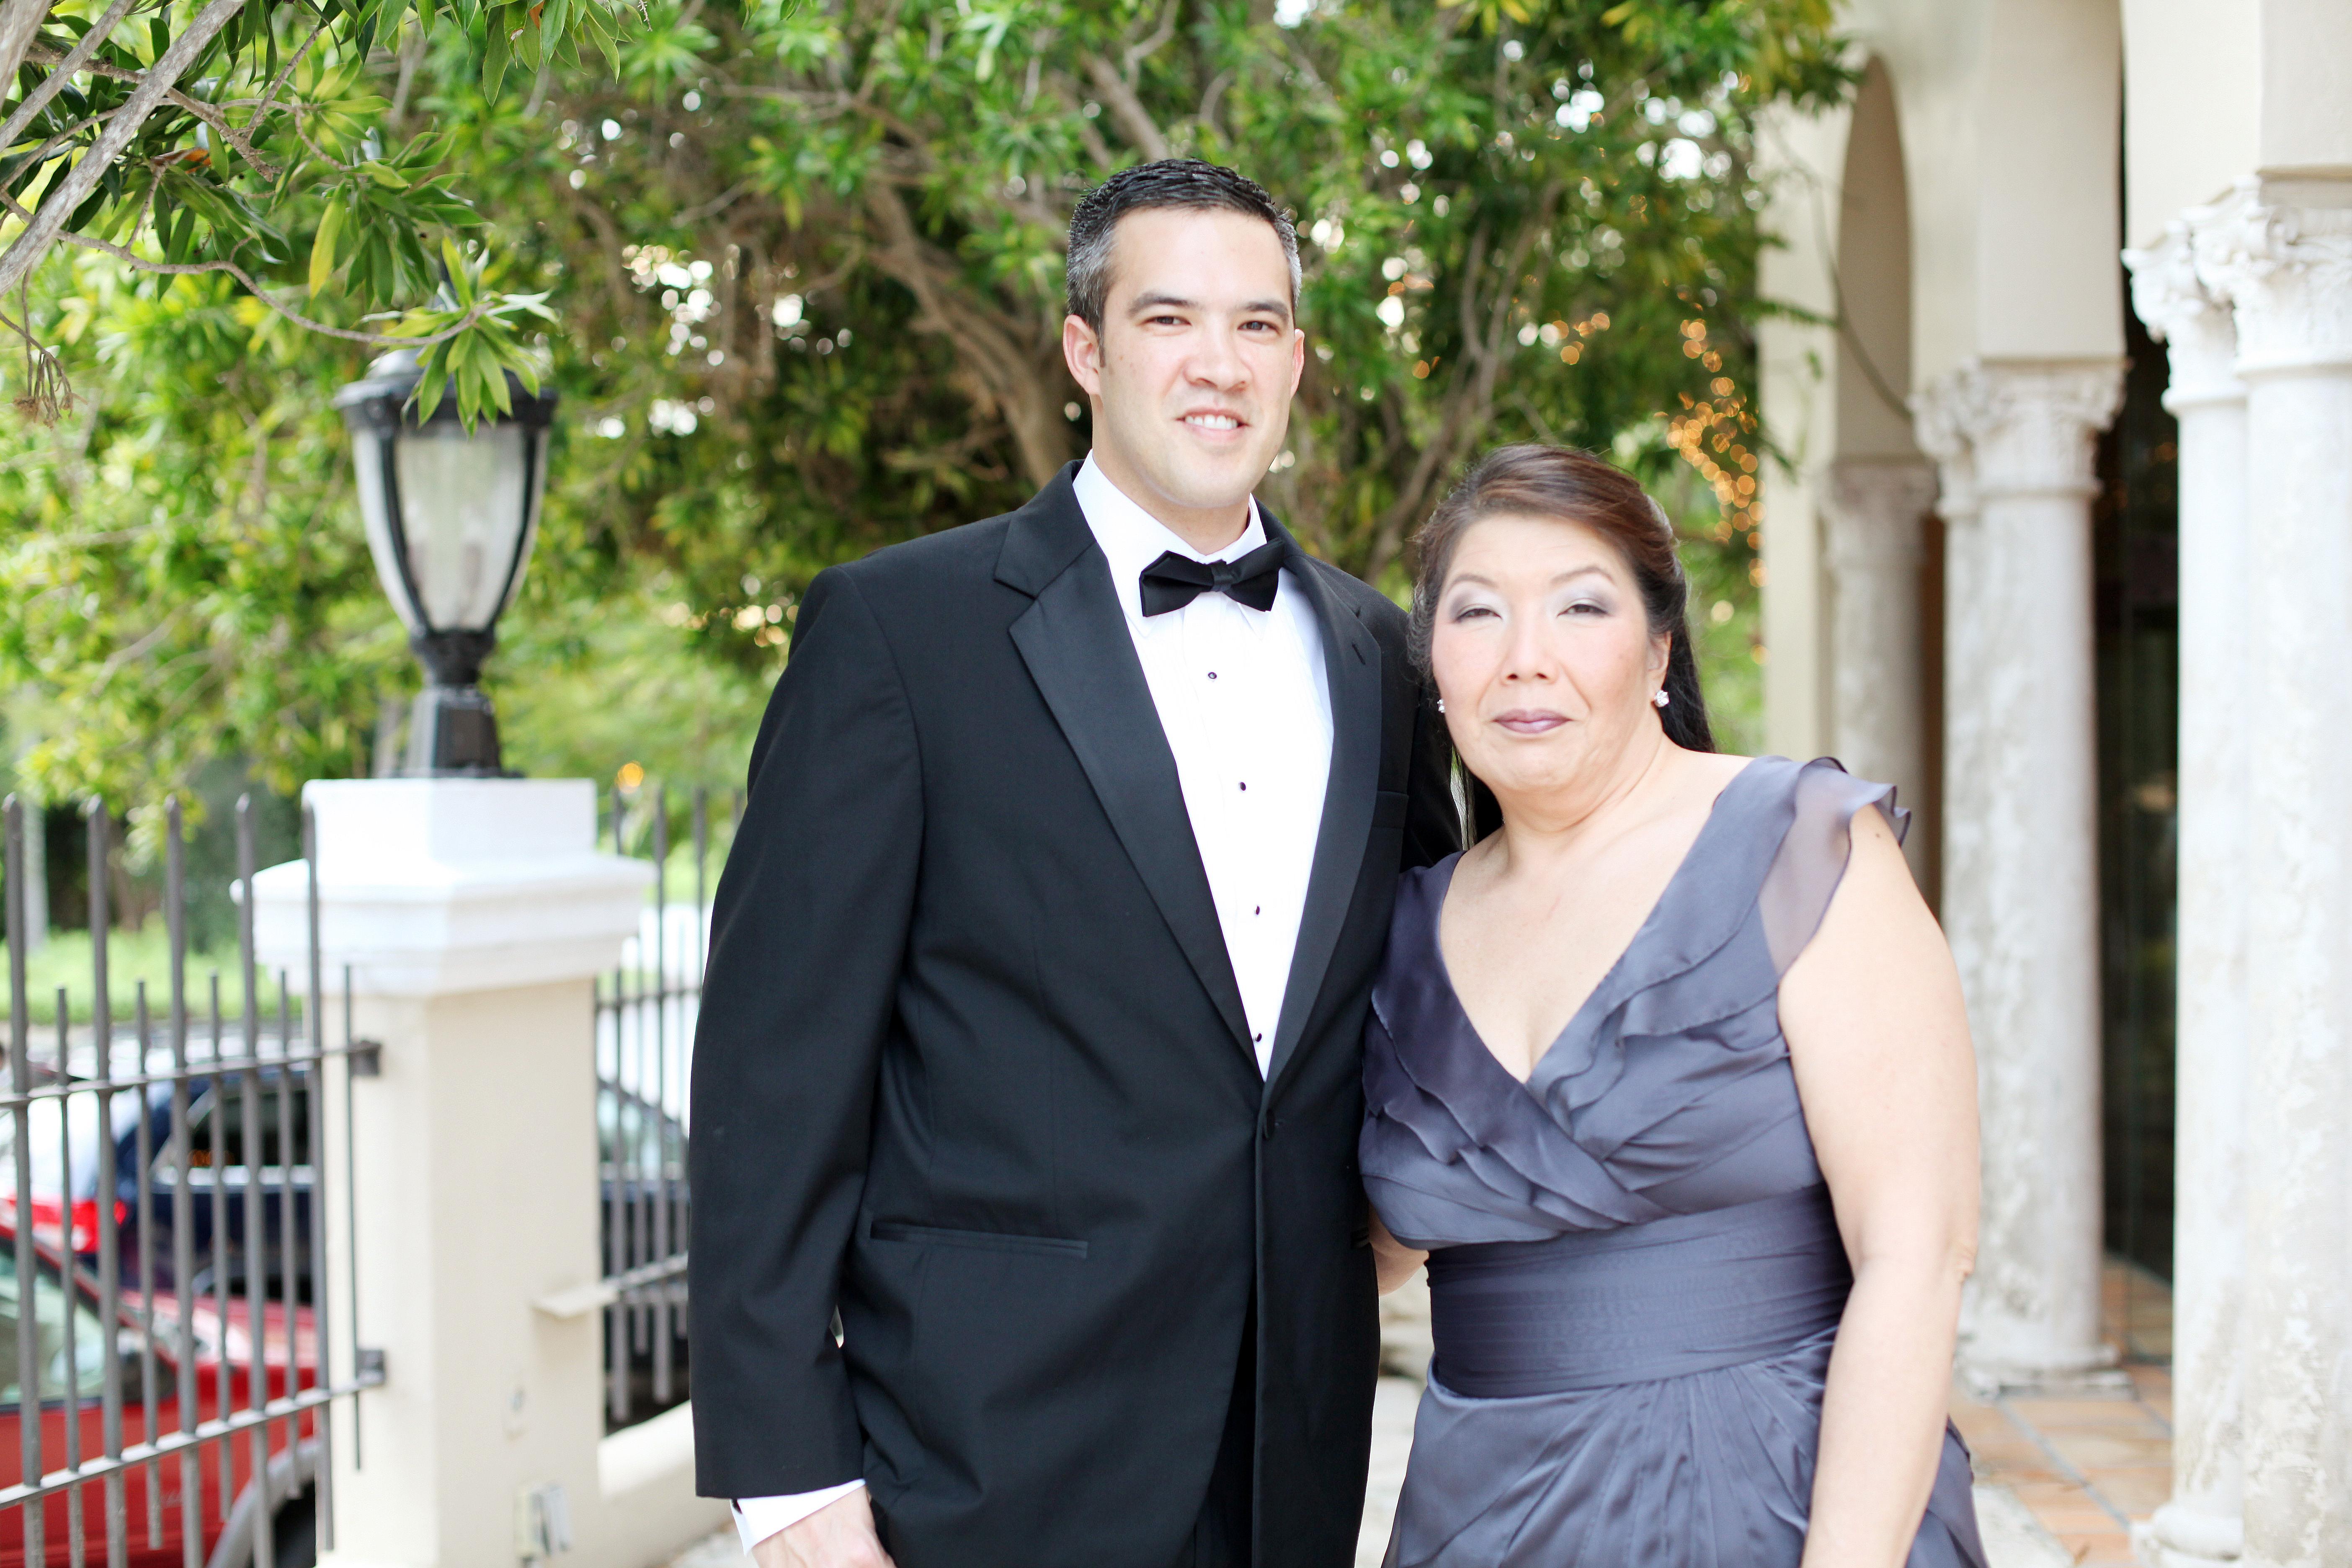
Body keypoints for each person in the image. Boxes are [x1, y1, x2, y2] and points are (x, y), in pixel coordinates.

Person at [687, 159, 1458, 1568]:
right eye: (1170, 321)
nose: (1218, 365)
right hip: (982, 1455)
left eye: (1258, 325)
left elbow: (1430, 980)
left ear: (1297, 356)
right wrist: (792, 1486)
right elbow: (771, 1080)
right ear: (1086, 351)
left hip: (1290, 1450)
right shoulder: (899, 635)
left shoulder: (1381, 657)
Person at [1360, 444, 1988, 1568]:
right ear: (1436, 669)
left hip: (1773, 1506)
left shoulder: (1800, 848)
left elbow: (1917, 1251)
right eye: (1478, 615)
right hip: (1481, 1519)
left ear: (1658, 650)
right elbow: (1354, 1249)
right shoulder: (1398, 930)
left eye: (1580, 607)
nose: (1524, 660)